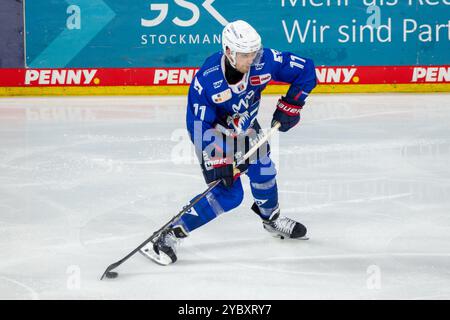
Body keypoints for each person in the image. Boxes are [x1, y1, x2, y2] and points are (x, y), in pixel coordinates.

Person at [140, 20, 317, 265]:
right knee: (228, 194)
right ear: (228, 52)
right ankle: (169, 234)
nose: (252, 60)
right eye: (245, 55)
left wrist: (291, 106)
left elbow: (306, 70)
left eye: (254, 53)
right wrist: (219, 159)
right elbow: (199, 125)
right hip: (215, 135)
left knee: (264, 172)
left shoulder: (265, 61)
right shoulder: (207, 81)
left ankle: (272, 220)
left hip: (245, 129)